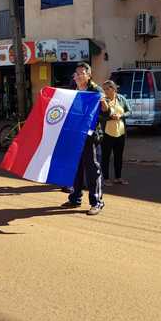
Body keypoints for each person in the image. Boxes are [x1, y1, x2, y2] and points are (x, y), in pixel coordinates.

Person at [62, 63, 106, 216]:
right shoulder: (73, 91)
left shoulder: (96, 91)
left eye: (81, 73)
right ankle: (75, 198)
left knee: (93, 169)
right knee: (76, 168)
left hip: (90, 136)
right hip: (75, 135)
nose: (78, 76)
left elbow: (106, 112)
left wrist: (103, 102)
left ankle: (97, 202)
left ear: (88, 75)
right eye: (76, 73)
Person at [100, 80, 131, 187]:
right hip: (107, 133)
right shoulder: (103, 100)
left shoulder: (121, 98)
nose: (105, 91)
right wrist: (109, 117)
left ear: (113, 89)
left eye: (107, 88)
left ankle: (118, 177)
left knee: (118, 156)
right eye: (104, 89)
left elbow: (129, 111)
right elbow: (99, 115)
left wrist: (120, 116)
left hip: (120, 132)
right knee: (106, 157)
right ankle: (106, 178)